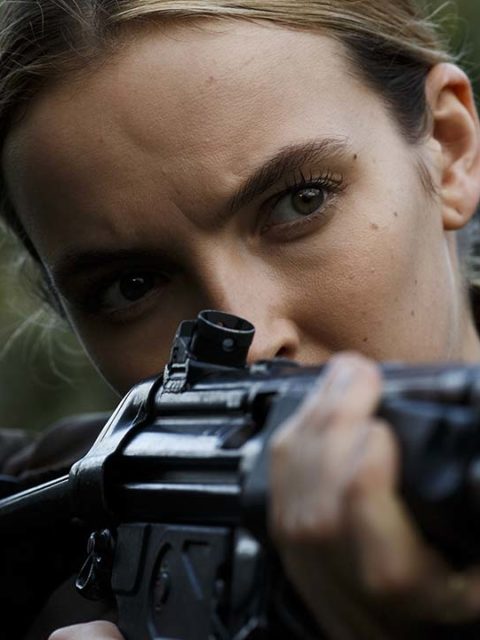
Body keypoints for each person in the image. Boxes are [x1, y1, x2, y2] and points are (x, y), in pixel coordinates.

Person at [1, 0, 480, 637]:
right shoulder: (46, 534)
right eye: (130, 286)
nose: (245, 338)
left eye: (299, 202)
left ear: (450, 147)